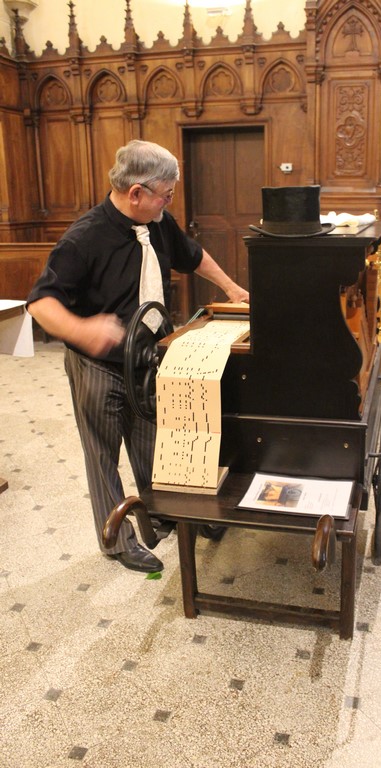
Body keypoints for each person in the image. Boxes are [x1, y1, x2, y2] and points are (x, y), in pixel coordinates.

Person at [27, 140, 249, 573]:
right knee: (103, 453)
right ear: (136, 193)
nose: (169, 202)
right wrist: (82, 330)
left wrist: (232, 289)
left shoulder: (159, 221)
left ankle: (162, 513)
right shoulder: (84, 237)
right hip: (99, 365)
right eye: (165, 194)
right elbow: (41, 303)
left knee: (155, 443)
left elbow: (193, 255)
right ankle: (117, 539)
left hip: (148, 358)